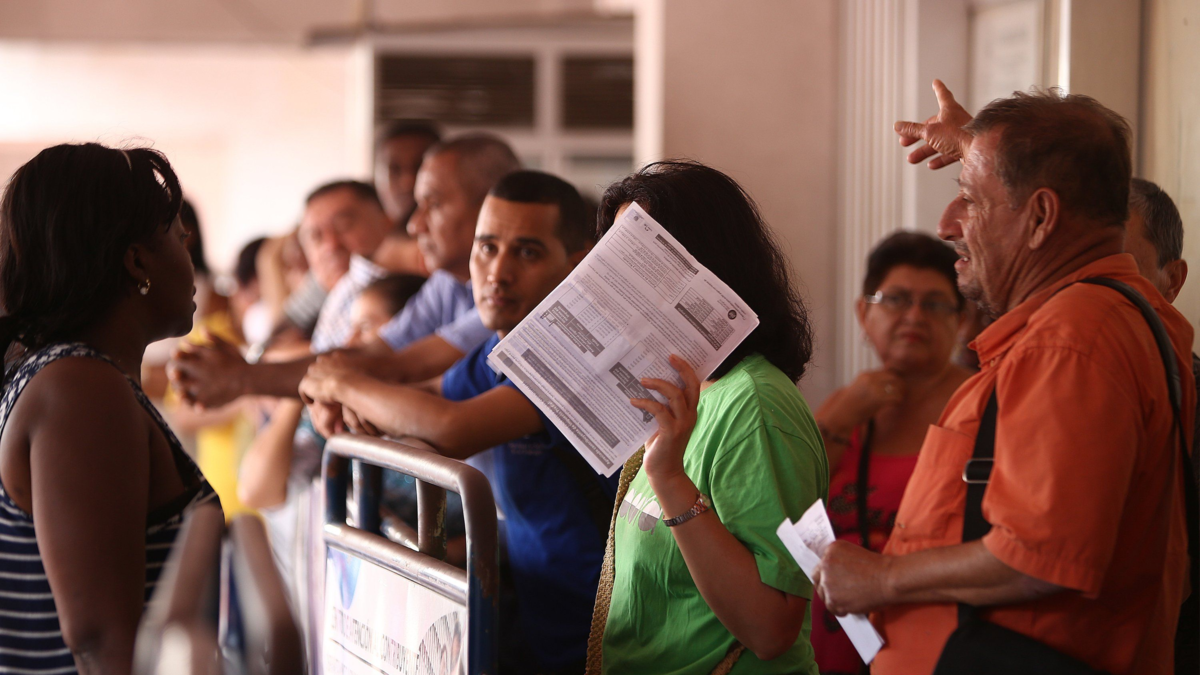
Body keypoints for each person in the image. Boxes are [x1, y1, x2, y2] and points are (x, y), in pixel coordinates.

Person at [813, 83, 1195, 675]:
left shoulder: (1071, 340)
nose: (948, 224)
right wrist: (983, 152)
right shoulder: (1116, 312)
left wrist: (883, 578)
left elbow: (1038, 554)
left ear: (1040, 217)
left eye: (970, 199)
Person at [298, 170, 607, 674]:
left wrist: (343, 385)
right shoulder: (499, 347)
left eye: (528, 253)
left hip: (604, 636)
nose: (498, 272)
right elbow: (425, 398)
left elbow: (452, 427)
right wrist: (350, 402)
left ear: (575, 265)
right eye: (487, 248)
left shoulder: (577, 350)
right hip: (539, 625)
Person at [575, 161, 827, 674]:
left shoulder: (756, 404)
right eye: (612, 257)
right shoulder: (685, 387)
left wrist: (669, 479)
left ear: (709, 268)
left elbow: (772, 628)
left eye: (640, 257)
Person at [0, 143, 219, 674]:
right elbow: (102, 642)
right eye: (179, 239)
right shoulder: (81, 389)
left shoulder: (76, 378)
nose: (190, 259)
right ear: (137, 261)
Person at [168, 135, 520, 413]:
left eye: (435, 204)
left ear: (491, 207)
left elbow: (403, 367)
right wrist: (249, 373)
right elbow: (374, 355)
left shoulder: (516, 297)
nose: (416, 224)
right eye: (316, 236)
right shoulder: (447, 285)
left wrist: (247, 377)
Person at [811, 231, 971, 673]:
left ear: (961, 320)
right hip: (830, 649)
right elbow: (789, 507)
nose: (914, 316)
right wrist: (841, 418)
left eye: (935, 304)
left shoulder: (976, 409)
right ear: (864, 313)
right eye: (896, 299)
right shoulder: (845, 408)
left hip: (930, 651)